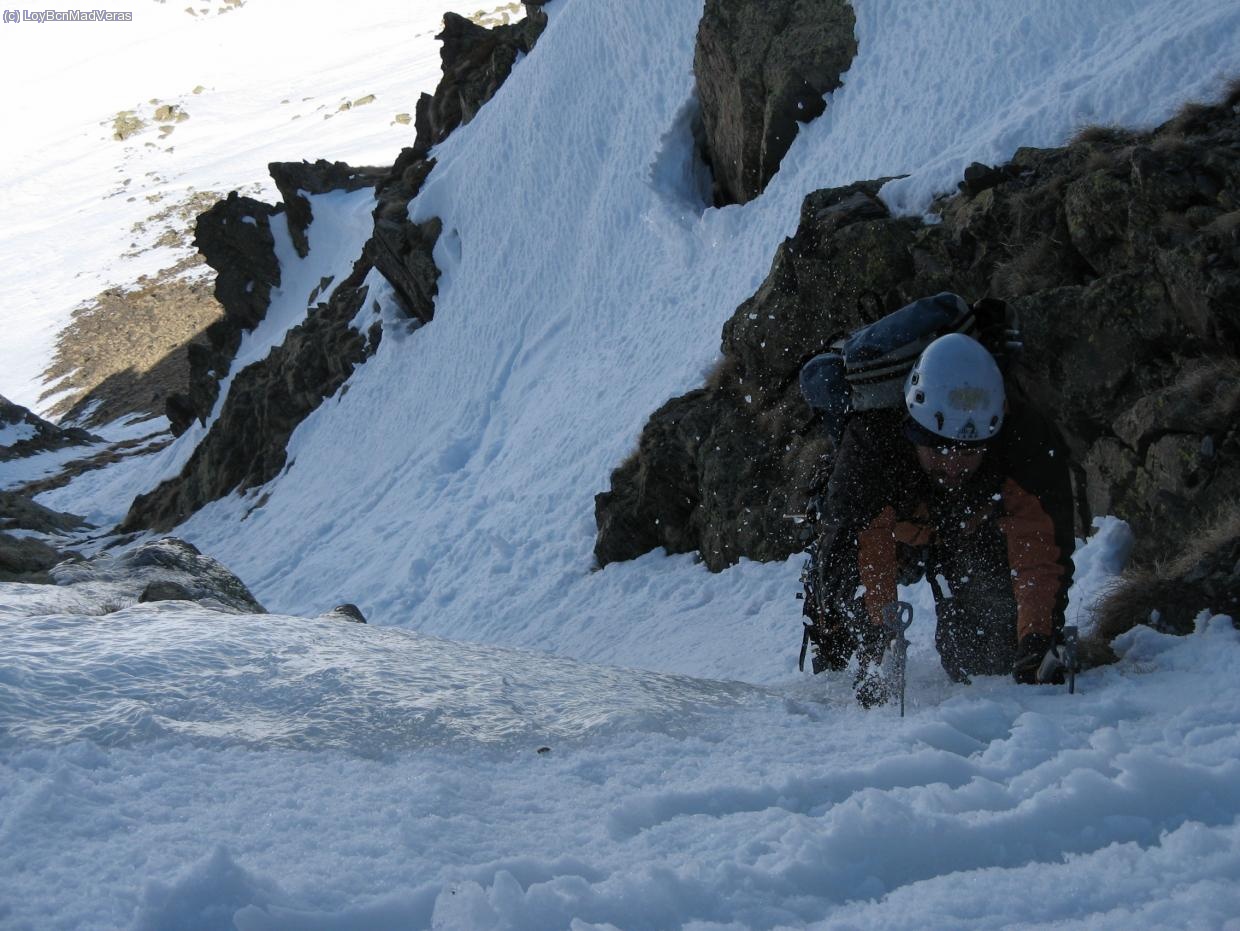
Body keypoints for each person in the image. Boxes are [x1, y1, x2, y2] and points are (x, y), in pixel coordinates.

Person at [807, 331, 1076, 705]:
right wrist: (876, 645)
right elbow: (862, 548)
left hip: (966, 524)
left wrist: (1036, 638)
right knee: (845, 641)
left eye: (968, 453)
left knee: (984, 657)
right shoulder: (872, 445)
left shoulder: (1024, 439)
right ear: (914, 432)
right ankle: (840, 638)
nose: (953, 465)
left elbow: (1039, 544)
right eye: (939, 450)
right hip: (892, 530)